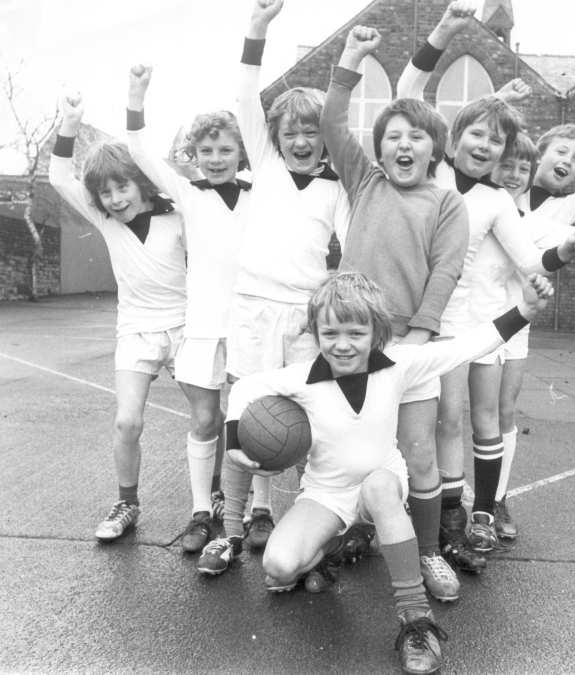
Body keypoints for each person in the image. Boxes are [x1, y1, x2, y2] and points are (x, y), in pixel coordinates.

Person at [215, 271, 552, 675]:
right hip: (326, 493)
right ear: (317, 332)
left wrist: (526, 310)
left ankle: (416, 620)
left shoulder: (398, 364)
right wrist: (234, 439)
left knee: (377, 486)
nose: (342, 344)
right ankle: (334, 546)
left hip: (383, 484)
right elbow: (243, 389)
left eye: (355, 333)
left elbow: (467, 346)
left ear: (376, 332)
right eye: (330, 333)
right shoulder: (301, 378)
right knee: (279, 568)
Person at [396, 1, 575, 558]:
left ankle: (466, 515)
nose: (484, 147)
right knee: (410, 419)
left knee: (455, 417)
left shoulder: (496, 200)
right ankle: (392, 513)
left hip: (458, 322)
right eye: (476, 135)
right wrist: (442, 32)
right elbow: (406, 93)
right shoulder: (429, 169)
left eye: (496, 143)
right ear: (454, 136)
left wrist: (562, 255)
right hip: (406, 314)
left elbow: (528, 258)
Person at [316, 23, 472, 602]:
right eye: (393, 137)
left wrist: (419, 336)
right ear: (378, 148)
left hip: (411, 346)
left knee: (419, 450)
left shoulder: (447, 201)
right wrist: (350, 58)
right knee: (349, 449)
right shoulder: (364, 182)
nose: (403, 146)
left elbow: (445, 272)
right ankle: (355, 530)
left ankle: (427, 551)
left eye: (417, 137)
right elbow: (333, 123)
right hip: (353, 346)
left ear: (436, 148)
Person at [198, 0, 352, 563]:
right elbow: (244, 96)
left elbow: (352, 251)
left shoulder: (336, 187)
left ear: (325, 136)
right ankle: (231, 531)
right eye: (292, 130)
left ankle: (307, 537)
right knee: (243, 421)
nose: (302, 139)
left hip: (304, 320)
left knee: (309, 425)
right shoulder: (260, 164)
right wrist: (257, 30)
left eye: (312, 130)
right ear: (276, 135)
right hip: (252, 310)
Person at [48, 94, 187, 541]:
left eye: (121, 187)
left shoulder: (180, 218)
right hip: (135, 332)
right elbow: (56, 175)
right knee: (127, 422)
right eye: (105, 193)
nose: (114, 198)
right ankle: (127, 502)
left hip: (186, 327)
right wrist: (70, 123)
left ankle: (215, 499)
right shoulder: (106, 220)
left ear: (141, 182)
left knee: (209, 417)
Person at [127, 67, 251, 554]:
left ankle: (252, 513)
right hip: (201, 327)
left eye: (225, 150)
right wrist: (137, 95)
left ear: (240, 153)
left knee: (250, 422)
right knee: (205, 420)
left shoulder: (259, 193)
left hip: (247, 326)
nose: (217, 159)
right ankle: (202, 512)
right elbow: (138, 149)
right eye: (207, 151)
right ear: (193, 157)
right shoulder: (186, 195)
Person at [488, 132, 575, 538]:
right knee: (446, 415)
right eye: (560, 151)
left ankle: (494, 499)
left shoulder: (545, 219)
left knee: (503, 412)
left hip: (514, 321)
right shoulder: (482, 199)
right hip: (464, 318)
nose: (568, 160)